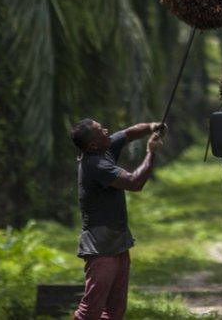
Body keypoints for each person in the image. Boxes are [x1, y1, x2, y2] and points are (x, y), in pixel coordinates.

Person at [70, 119, 165, 320]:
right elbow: (134, 182)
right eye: (100, 131)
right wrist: (151, 152)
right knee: (90, 311)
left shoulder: (104, 147)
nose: (106, 130)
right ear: (92, 145)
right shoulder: (95, 164)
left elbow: (129, 133)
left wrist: (151, 127)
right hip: (100, 246)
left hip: (119, 242)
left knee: (115, 311)